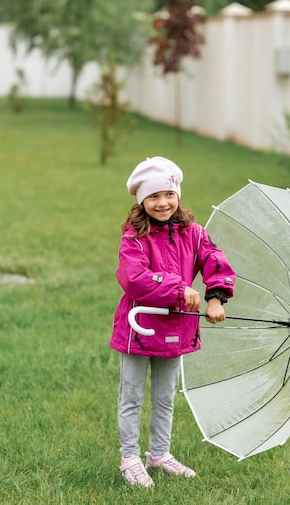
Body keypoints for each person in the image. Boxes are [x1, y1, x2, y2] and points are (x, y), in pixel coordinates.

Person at [110, 156, 236, 488]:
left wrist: (214, 298)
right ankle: (129, 458)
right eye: (153, 196)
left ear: (177, 195)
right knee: (132, 395)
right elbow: (134, 278)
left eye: (168, 194)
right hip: (139, 329)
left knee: (166, 396)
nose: (162, 202)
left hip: (176, 328)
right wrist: (179, 288)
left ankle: (159, 454)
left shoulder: (194, 234)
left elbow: (214, 260)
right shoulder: (134, 237)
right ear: (142, 201)